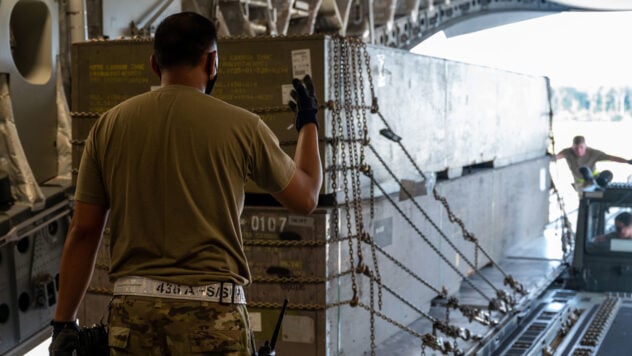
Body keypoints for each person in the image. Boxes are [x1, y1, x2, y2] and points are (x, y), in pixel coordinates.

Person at [49, 12, 322, 355]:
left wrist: (63, 323)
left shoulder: (108, 126)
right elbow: (306, 196)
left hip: (134, 318)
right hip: (213, 319)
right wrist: (308, 123)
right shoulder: (243, 127)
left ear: (153, 64)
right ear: (212, 62)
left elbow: (84, 230)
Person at [555, 135, 632, 189]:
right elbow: (557, 157)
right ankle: (590, 180)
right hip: (581, 184)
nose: (579, 150)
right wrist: (550, 157)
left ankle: (597, 182)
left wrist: (627, 161)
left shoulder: (593, 153)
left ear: (585, 146)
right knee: (584, 170)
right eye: (576, 148)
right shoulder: (567, 152)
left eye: (581, 147)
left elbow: (611, 158)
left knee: (608, 173)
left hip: (596, 179)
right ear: (572, 147)